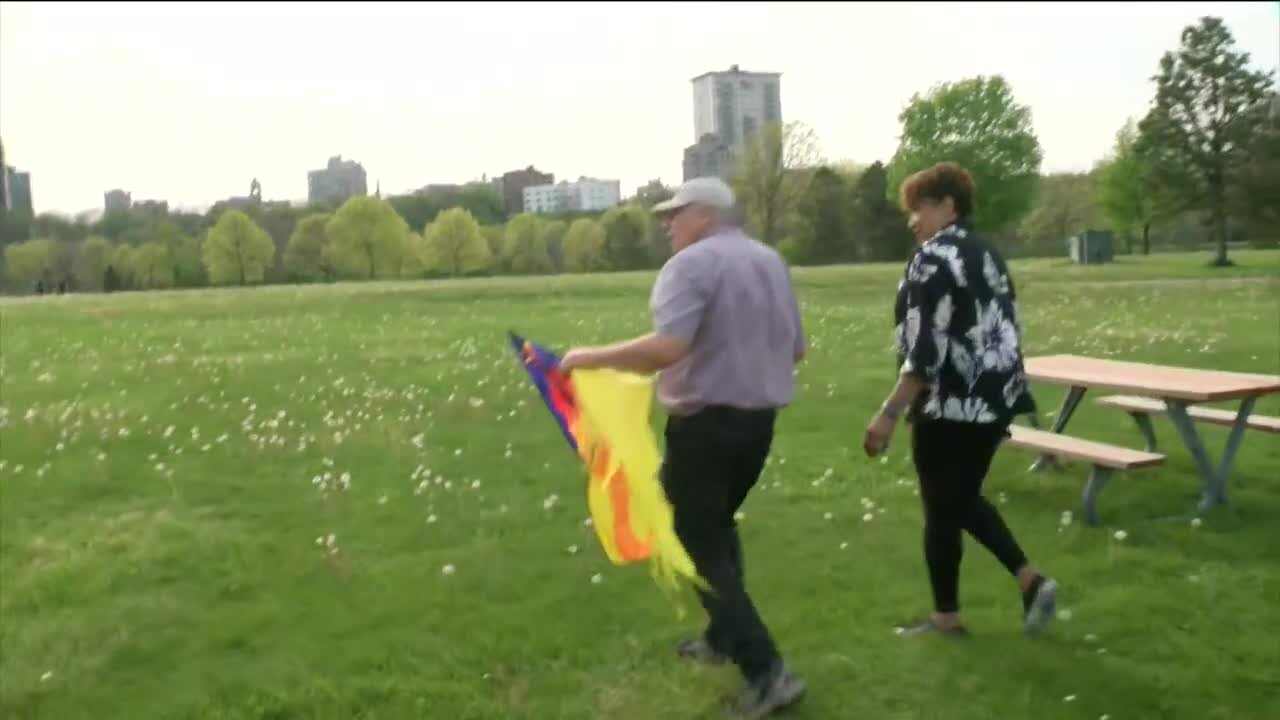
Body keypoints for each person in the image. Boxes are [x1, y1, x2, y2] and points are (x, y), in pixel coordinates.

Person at [560, 177, 807, 717]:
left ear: (704, 215)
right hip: (758, 425)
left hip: (705, 427)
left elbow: (669, 347)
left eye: (674, 214)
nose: (667, 224)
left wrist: (592, 357)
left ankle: (767, 671)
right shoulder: (770, 262)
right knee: (715, 526)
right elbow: (795, 350)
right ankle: (722, 637)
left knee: (695, 543)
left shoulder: (691, 266)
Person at [862, 161, 1058, 637]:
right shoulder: (989, 253)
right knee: (951, 501)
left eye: (920, 207)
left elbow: (924, 350)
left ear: (948, 205)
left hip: (948, 401)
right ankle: (947, 614)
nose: (913, 220)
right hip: (998, 398)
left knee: (950, 499)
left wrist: (888, 413)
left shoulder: (931, 257)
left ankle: (1029, 578)